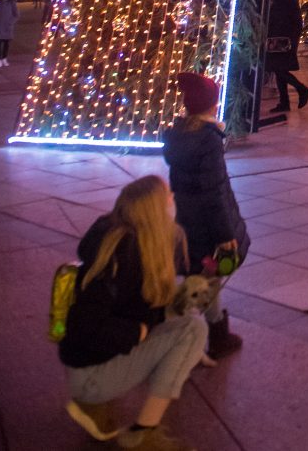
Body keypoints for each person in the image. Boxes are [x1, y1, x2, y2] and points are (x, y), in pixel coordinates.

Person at [60, 174, 203, 450]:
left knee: (184, 322)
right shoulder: (124, 255)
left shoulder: (123, 239)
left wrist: (168, 308)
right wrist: (138, 331)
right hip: (91, 375)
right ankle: (143, 434)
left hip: (87, 368)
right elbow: (84, 327)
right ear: (154, 209)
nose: (173, 200)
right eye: (168, 196)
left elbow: (133, 306)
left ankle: (94, 406)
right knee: (194, 329)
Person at [162, 72, 248, 362]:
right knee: (206, 281)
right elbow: (213, 192)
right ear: (212, 105)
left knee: (204, 278)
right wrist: (225, 235)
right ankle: (188, 337)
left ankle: (216, 333)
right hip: (209, 226)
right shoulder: (208, 141)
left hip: (188, 221)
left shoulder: (181, 136)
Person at [266, 0, 308, 114]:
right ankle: (285, 101)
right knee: (279, 70)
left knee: (278, 69)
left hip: (280, 40)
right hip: (282, 39)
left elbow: (293, 21)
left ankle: (301, 89)